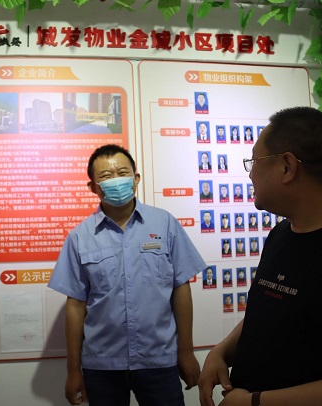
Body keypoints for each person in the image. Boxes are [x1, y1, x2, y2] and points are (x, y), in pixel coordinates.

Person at [199, 106, 322, 406]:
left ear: (287, 167)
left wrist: (254, 402)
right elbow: (272, 314)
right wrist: (222, 351)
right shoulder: (281, 234)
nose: (250, 173)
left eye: (254, 161)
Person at [48, 144, 206, 406]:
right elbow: (75, 305)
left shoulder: (165, 224)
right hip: (102, 365)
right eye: (106, 176)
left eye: (122, 173)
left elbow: (181, 287)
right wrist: (73, 370)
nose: (116, 180)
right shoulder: (79, 237)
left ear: (136, 178)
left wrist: (186, 351)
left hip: (159, 359)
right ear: (93, 187)